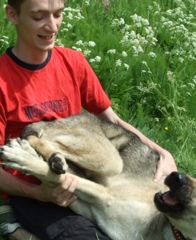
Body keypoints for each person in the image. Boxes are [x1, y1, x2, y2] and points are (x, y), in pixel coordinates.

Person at [0, 0, 177, 239]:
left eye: (58, 14)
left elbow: (112, 122)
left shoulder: (74, 63)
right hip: (36, 188)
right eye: (39, 16)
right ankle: (12, 220)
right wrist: (39, 193)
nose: (52, 26)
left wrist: (163, 153)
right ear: (13, 15)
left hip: (89, 179)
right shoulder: (3, 78)